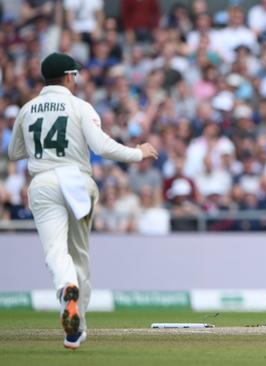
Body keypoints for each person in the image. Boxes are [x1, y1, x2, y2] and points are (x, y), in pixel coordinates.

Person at [8, 52, 158, 349]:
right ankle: (77, 326)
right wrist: (138, 153)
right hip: (76, 182)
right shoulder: (80, 106)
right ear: (68, 77)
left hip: (42, 183)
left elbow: (15, 153)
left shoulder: (27, 109)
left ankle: (67, 292)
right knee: (79, 255)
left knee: (55, 253)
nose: (76, 79)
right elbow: (101, 145)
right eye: (74, 75)